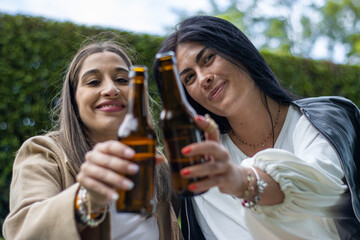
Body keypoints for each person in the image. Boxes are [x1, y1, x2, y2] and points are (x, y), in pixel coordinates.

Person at [153, 15, 360, 240]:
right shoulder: (206, 167)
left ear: (236, 50)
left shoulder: (324, 119)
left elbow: (319, 184)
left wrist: (242, 181)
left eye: (209, 58)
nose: (203, 78)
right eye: (190, 78)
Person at [2, 39, 182, 239]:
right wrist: (87, 199)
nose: (111, 89)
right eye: (94, 82)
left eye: (122, 80)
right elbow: (23, 232)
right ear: (74, 101)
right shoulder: (44, 153)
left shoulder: (158, 164)